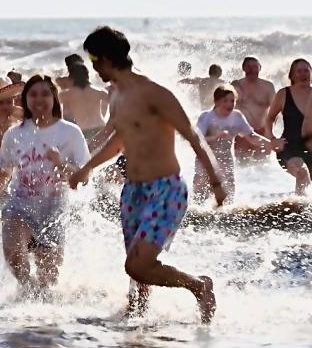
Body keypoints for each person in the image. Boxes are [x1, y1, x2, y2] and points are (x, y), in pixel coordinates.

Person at [69, 26, 224, 324]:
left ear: (106, 57)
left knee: (138, 265)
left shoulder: (153, 92)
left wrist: (216, 181)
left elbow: (192, 135)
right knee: (136, 266)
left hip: (165, 189)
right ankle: (138, 318)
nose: (92, 66)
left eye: (93, 58)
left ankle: (199, 286)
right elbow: (118, 143)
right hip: (133, 192)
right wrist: (86, 169)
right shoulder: (117, 95)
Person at [0, 76, 89, 292]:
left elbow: (83, 177)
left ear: (54, 97)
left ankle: (38, 314)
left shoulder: (70, 133)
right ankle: (26, 292)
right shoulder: (14, 134)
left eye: (45, 94)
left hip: (54, 211)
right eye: (33, 95)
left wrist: (59, 163)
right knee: (15, 259)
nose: (39, 99)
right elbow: (4, 172)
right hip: (20, 206)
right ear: (25, 100)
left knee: (48, 282)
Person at [193, 86, 276, 203]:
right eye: (225, 101)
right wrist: (215, 137)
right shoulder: (206, 117)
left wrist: (271, 145)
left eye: (232, 101)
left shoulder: (237, 117)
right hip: (205, 161)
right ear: (216, 102)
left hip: (226, 160)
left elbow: (251, 136)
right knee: (199, 200)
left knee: (228, 200)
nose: (230, 104)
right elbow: (197, 140)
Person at [266, 58, 312, 195]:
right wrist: (272, 139)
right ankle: (300, 211)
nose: (303, 74)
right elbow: (269, 119)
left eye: (306, 70)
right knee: (302, 172)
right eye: (299, 71)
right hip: (289, 147)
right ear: (292, 75)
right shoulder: (283, 94)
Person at [231, 57, 276, 162]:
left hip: (262, 132)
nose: (252, 69)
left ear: (260, 68)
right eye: (249, 67)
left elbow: (275, 111)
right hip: (241, 134)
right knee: (242, 166)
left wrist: (270, 132)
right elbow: (226, 109)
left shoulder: (268, 86)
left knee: (262, 167)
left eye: (255, 67)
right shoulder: (236, 85)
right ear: (243, 68)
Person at [59, 62, 109, 147]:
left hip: (83, 131)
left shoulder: (65, 95)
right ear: (87, 76)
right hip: (101, 128)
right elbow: (117, 104)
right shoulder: (99, 91)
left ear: (71, 77)